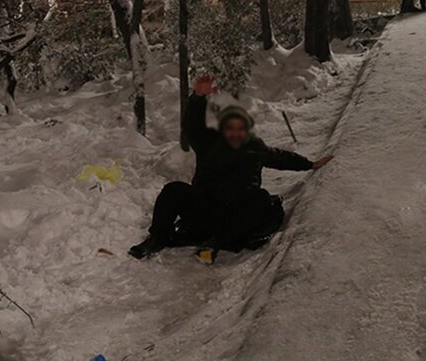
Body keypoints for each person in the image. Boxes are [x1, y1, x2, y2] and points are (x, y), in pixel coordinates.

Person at [129, 75, 334, 262]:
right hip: (205, 209)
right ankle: (157, 239)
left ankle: (213, 245)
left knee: (262, 200)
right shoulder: (208, 143)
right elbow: (192, 126)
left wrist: (310, 164)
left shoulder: (256, 148)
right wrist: (198, 97)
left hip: (236, 216)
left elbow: (281, 158)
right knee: (172, 190)